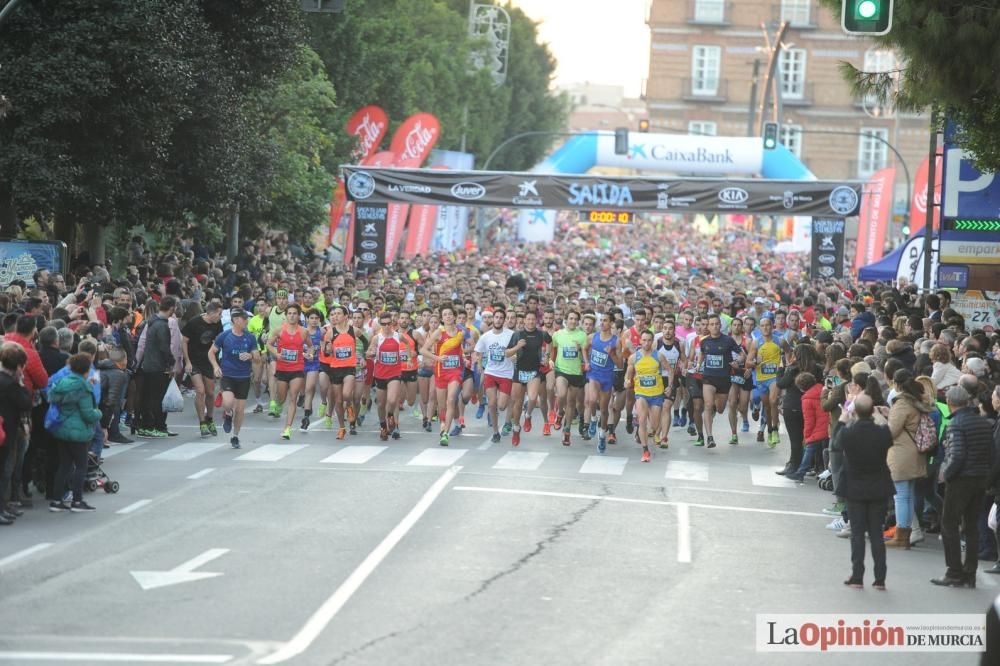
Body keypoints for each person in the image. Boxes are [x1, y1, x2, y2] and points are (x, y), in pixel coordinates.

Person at [932, 386, 994, 588]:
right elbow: (992, 453)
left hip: (961, 479)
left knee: (949, 524)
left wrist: (947, 475)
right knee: (972, 526)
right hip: (980, 477)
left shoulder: (956, 424)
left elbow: (957, 455)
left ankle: (954, 571)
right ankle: (970, 572)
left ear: (950, 402)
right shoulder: (983, 423)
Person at [840, 394, 894, 590]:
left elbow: (837, 443)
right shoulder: (880, 434)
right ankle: (880, 578)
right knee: (876, 534)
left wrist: (843, 419)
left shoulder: (849, 434)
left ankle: (857, 575)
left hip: (855, 487)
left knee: (857, 534)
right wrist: (881, 419)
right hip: (878, 486)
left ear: (855, 412)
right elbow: (889, 437)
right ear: (872, 411)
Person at [47, 353, 103, 513]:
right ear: (87, 370)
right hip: (77, 432)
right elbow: (88, 414)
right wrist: (99, 414)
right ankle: (77, 500)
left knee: (64, 465)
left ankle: (56, 500)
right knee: (81, 466)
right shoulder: (83, 387)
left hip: (61, 428)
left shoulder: (64, 382)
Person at [884, 369, 932, 549]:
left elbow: (892, 431)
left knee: (901, 496)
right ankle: (905, 534)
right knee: (908, 495)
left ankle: (901, 535)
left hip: (902, 454)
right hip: (914, 453)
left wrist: (882, 419)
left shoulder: (902, 404)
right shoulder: (916, 403)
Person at [208, 308, 259, 449]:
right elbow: (211, 353)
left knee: (241, 410)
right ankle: (228, 413)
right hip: (228, 375)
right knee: (228, 402)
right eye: (244, 319)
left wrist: (250, 356)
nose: (246, 322)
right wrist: (215, 367)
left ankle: (235, 436)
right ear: (236, 320)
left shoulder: (250, 337)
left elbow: (258, 358)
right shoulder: (224, 336)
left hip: (244, 376)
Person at [267, 302, 313, 441]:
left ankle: (287, 428)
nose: (292, 316)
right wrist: (276, 353)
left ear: (299, 316)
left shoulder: (304, 331)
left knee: (293, 397)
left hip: (297, 368)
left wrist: (309, 354)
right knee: (281, 398)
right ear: (286, 316)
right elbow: (269, 344)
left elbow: (311, 347)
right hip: (282, 368)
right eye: (289, 314)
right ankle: (278, 404)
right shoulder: (279, 330)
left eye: (294, 313)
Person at [506, 311, 551, 447]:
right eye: (528, 319)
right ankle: (516, 429)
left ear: (535, 321)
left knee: (532, 398)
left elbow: (550, 342)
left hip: (534, 371)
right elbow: (507, 353)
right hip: (519, 371)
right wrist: (518, 346)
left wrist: (547, 356)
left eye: (533, 319)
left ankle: (528, 416)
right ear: (524, 321)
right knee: (517, 404)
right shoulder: (517, 335)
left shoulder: (541, 334)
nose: (531, 322)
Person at [624, 330, 668, 463]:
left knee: (654, 425)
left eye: (649, 340)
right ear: (640, 341)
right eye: (644, 340)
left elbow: (670, 370)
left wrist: (670, 386)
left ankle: (652, 432)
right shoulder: (634, 357)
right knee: (642, 419)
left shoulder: (658, 356)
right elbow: (628, 373)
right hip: (641, 393)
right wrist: (627, 381)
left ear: (652, 341)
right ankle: (645, 450)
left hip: (656, 394)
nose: (646, 343)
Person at [181, 301, 224, 437]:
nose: (220, 316)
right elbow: (184, 341)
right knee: (200, 391)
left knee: (210, 392)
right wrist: (187, 361)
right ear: (211, 313)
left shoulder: (217, 324)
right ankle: (202, 423)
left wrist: (218, 363)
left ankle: (210, 419)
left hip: (209, 361)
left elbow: (219, 340)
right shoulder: (194, 322)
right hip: (194, 361)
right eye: (219, 314)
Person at [137, 296, 177, 438]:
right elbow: (164, 348)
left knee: (150, 397)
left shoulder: (152, 322)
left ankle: (151, 425)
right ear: (171, 308)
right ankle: (154, 426)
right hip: (158, 366)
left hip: (149, 365)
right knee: (158, 398)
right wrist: (171, 363)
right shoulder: (162, 325)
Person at [0, 344, 31, 524]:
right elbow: (25, 403)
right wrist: (21, 384)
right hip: (7, 431)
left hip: (4, 429)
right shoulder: (11, 384)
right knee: (4, 471)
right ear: (19, 366)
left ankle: (3, 507)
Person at [474, 309, 515, 444]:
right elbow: (478, 351)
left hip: (506, 374)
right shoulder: (486, 336)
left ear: (504, 320)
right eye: (496, 317)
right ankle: (496, 432)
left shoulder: (511, 335)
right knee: (491, 404)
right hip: (490, 372)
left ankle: (505, 412)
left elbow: (518, 351)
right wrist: (479, 364)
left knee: (501, 406)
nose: (498, 320)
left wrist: (514, 356)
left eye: (500, 318)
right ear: (493, 319)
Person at [551, 310, 588, 447]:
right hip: (561, 370)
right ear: (566, 320)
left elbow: (585, 354)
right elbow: (553, 350)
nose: (573, 321)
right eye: (570, 318)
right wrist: (551, 360)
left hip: (576, 373)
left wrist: (580, 351)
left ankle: (566, 431)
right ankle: (560, 412)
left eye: (575, 319)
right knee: (561, 394)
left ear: (578, 321)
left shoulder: (582, 335)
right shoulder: (558, 335)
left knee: (571, 403)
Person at [786, 372, 829, 482]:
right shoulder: (822, 389)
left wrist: (807, 436)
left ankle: (800, 473)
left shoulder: (807, 399)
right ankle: (822, 470)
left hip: (818, 428)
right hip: (828, 425)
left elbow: (809, 420)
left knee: (809, 448)